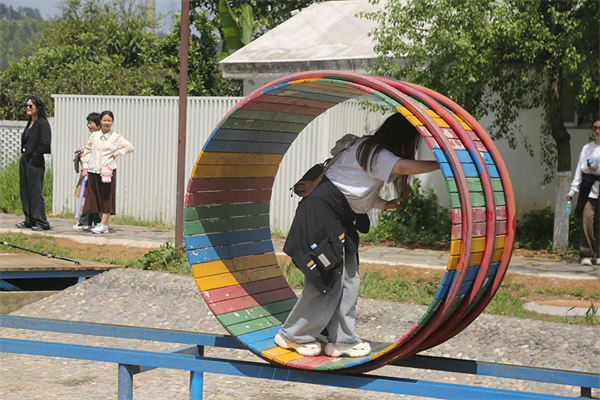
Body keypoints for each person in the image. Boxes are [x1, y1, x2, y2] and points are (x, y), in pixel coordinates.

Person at [275, 113, 440, 357]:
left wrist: (383, 204)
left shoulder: (368, 151)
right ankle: (293, 335)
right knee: (327, 277)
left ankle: (340, 339)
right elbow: (403, 167)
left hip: (337, 218)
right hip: (322, 215)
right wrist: (442, 164)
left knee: (349, 279)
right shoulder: (372, 151)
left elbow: (355, 190)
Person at [80, 110, 134, 234]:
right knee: (96, 198)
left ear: (112, 122)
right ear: (100, 121)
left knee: (106, 198)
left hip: (107, 172)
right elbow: (87, 152)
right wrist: (85, 167)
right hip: (93, 171)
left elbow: (129, 146)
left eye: (109, 120)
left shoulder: (116, 137)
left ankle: (103, 224)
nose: (107, 123)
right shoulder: (94, 136)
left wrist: (116, 153)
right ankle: (103, 223)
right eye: (104, 120)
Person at [15, 96, 52, 231]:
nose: (28, 108)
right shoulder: (30, 122)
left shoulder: (42, 123)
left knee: (35, 192)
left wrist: (35, 156)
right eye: (26, 106)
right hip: (25, 158)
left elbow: (45, 142)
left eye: (31, 106)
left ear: (38, 107)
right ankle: (29, 219)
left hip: (35, 160)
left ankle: (42, 222)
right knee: (25, 191)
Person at [567, 118, 600, 266]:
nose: (597, 131)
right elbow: (579, 171)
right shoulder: (587, 148)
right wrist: (572, 190)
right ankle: (586, 254)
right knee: (587, 222)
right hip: (588, 190)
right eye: (594, 128)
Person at [73, 112, 102, 230]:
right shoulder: (93, 136)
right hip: (89, 170)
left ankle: (88, 221)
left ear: (98, 124)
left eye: (91, 123)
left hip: (94, 171)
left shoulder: (99, 136)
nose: (88, 125)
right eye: (88, 123)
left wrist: (85, 167)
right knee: (90, 197)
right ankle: (90, 221)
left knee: (92, 197)